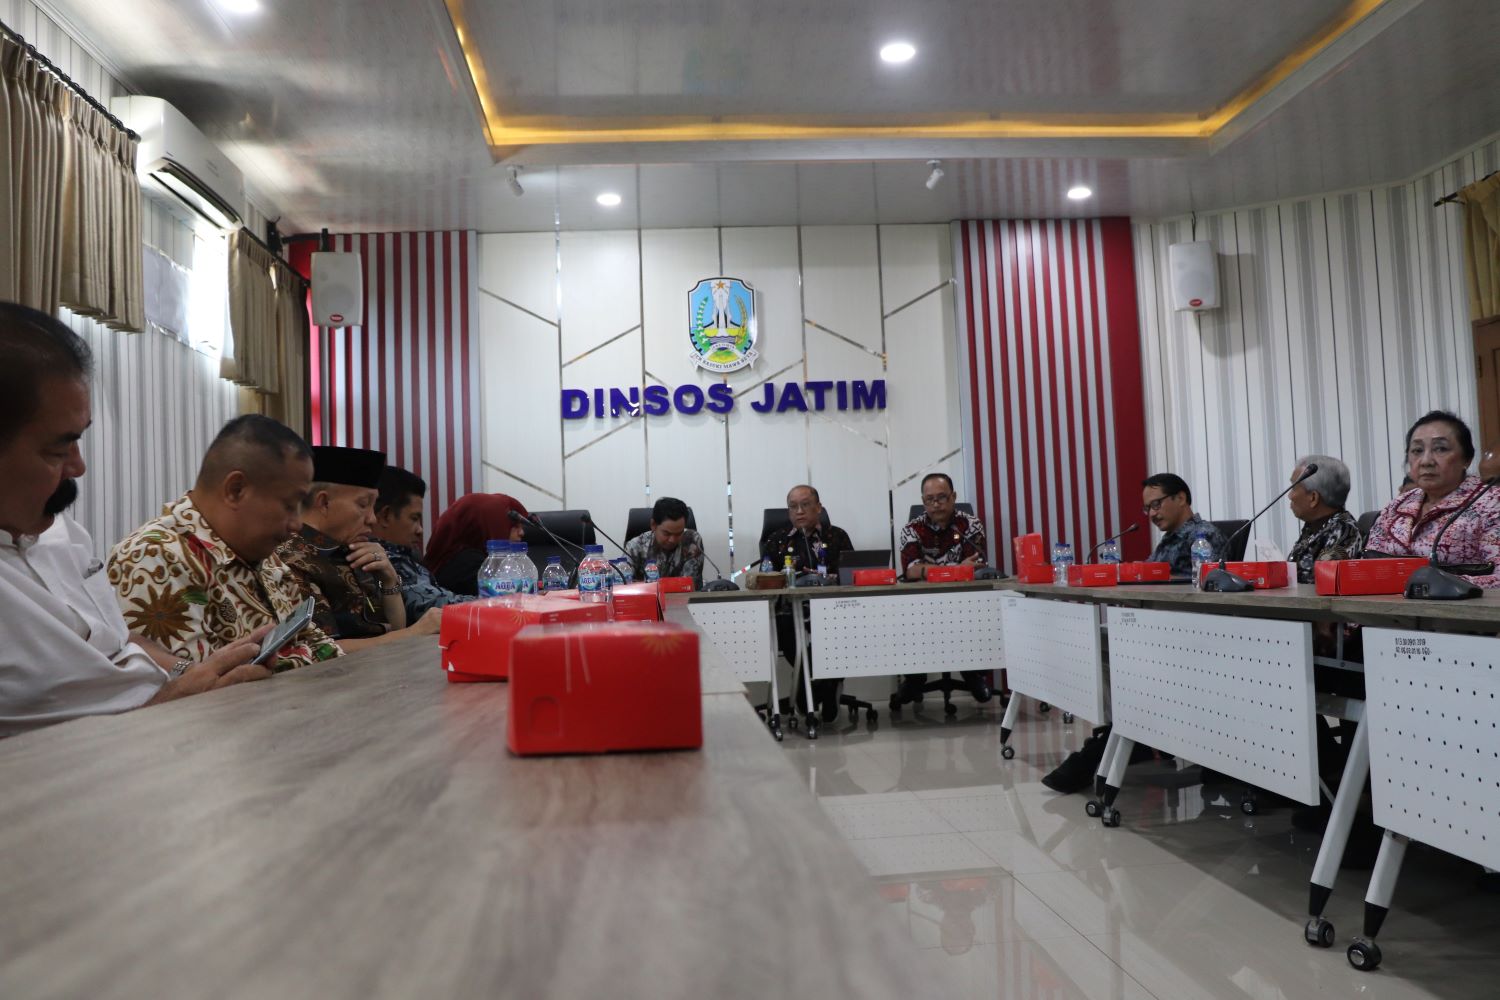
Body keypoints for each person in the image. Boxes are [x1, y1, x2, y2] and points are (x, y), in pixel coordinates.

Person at [1, 303, 269, 737]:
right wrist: (171, 704)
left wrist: (195, 674)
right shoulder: (158, 551)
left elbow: (118, 637)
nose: (78, 467)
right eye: (57, 449)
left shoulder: (66, 536)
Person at [110, 414, 342, 672]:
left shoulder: (265, 558)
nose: (297, 523)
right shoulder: (155, 557)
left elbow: (323, 648)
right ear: (236, 490)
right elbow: (199, 686)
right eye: (289, 505)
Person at [278, 446, 442, 651]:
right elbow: (320, 651)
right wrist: (414, 633)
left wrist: (389, 580)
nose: (372, 518)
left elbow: (393, 629)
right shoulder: (293, 559)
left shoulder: (352, 548)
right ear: (324, 502)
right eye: (363, 505)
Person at [1365, 411, 1500, 586]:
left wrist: (1431, 585)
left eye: (1440, 449)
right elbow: (1368, 567)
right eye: (1417, 451)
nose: (1426, 461)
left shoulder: (1491, 503)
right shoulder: (1397, 505)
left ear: (1467, 459)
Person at [760, 485, 854, 722]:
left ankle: (810, 689)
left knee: (843, 633)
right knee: (788, 632)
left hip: (834, 612)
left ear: (819, 507)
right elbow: (766, 580)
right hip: (790, 613)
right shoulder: (777, 540)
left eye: (805, 505)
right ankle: (823, 686)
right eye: (793, 507)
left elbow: (852, 576)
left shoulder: (837, 536)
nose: (799, 511)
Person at [895, 473, 991, 703]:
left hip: (964, 602)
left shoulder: (970, 525)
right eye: (930, 499)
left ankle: (972, 672)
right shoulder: (911, 528)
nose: (936, 504)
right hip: (921, 604)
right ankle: (915, 678)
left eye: (942, 497)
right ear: (923, 501)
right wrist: (956, 568)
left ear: (953, 497)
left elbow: (975, 566)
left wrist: (929, 570)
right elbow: (911, 570)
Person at [372, 466, 476, 619]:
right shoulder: (386, 562)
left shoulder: (406, 557)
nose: (420, 530)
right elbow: (438, 606)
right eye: (414, 518)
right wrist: (502, 604)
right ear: (386, 516)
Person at [424, 493, 531, 596]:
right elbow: (508, 600)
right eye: (515, 526)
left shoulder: (462, 557)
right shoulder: (468, 564)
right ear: (490, 525)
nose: (522, 533)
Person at [1287, 455, 1364, 584]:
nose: (1290, 496)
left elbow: (1321, 582)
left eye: (1294, 488)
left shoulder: (1345, 532)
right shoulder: (1313, 527)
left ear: (1313, 497)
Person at [1141, 473, 1228, 577]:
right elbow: (1151, 571)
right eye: (1147, 508)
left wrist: (1160, 577)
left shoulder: (1205, 536)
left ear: (1181, 498)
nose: (1151, 513)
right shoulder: (1169, 538)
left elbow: (1210, 580)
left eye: (1156, 504)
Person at [623, 496, 705, 588]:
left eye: (678, 533)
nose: (672, 540)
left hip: (683, 596)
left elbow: (690, 584)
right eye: (667, 533)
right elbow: (623, 583)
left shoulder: (692, 541)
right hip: (646, 596)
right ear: (653, 525)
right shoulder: (636, 546)